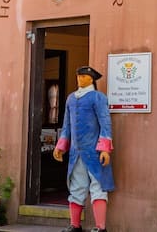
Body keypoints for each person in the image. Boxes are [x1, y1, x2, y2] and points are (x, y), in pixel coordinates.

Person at [53, 66, 114, 232]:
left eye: (84, 76)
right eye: (78, 76)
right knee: (76, 187)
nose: (79, 78)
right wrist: (61, 146)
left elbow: (105, 123)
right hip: (76, 153)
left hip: (94, 153)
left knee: (98, 188)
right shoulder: (71, 99)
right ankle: (75, 225)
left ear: (91, 79)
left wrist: (104, 149)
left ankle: (100, 227)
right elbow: (66, 125)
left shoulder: (98, 98)